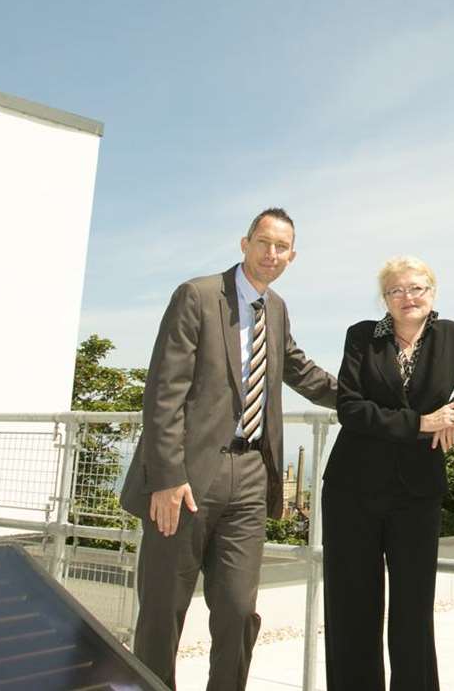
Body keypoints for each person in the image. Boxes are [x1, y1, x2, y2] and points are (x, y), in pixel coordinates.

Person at [119, 208, 338, 691]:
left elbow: (302, 371)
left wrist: (371, 403)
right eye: (263, 242)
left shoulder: (276, 309)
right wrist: (167, 477)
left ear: (292, 256)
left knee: (239, 610)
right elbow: (163, 392)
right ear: (244, 243)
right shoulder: (197, 296)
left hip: (252, 474)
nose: (271, 254)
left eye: (282, 248)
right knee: (162, 609)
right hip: (187, 477)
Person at [322, 256, 454, 691]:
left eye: (416, 288)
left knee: (413, 610)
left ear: (432, 292)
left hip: (417, 491)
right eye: (396, 290)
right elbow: (350, 408)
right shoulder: (362, 337)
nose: (407, 297)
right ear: (385, 299)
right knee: (352, 608)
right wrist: (421, 423)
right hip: (352, 489)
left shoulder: (451, 336)